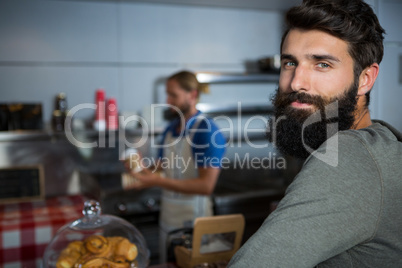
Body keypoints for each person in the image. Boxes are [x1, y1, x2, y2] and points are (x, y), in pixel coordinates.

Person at [228, 0, 402, 267]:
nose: (296, 82)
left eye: (322, 64)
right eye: (289, 63)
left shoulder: (350, 158)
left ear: (365, 79)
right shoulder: (380, 144)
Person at [126, 70, 226, 262]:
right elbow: (165, 166)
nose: (168, 100)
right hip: (168, 220)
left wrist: (156, 181)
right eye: (167, 94)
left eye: (173, 94)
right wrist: (139, 168)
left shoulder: (206, 131)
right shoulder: (170, 129)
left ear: (192, 95)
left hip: (195, 223)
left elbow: (206, 186)